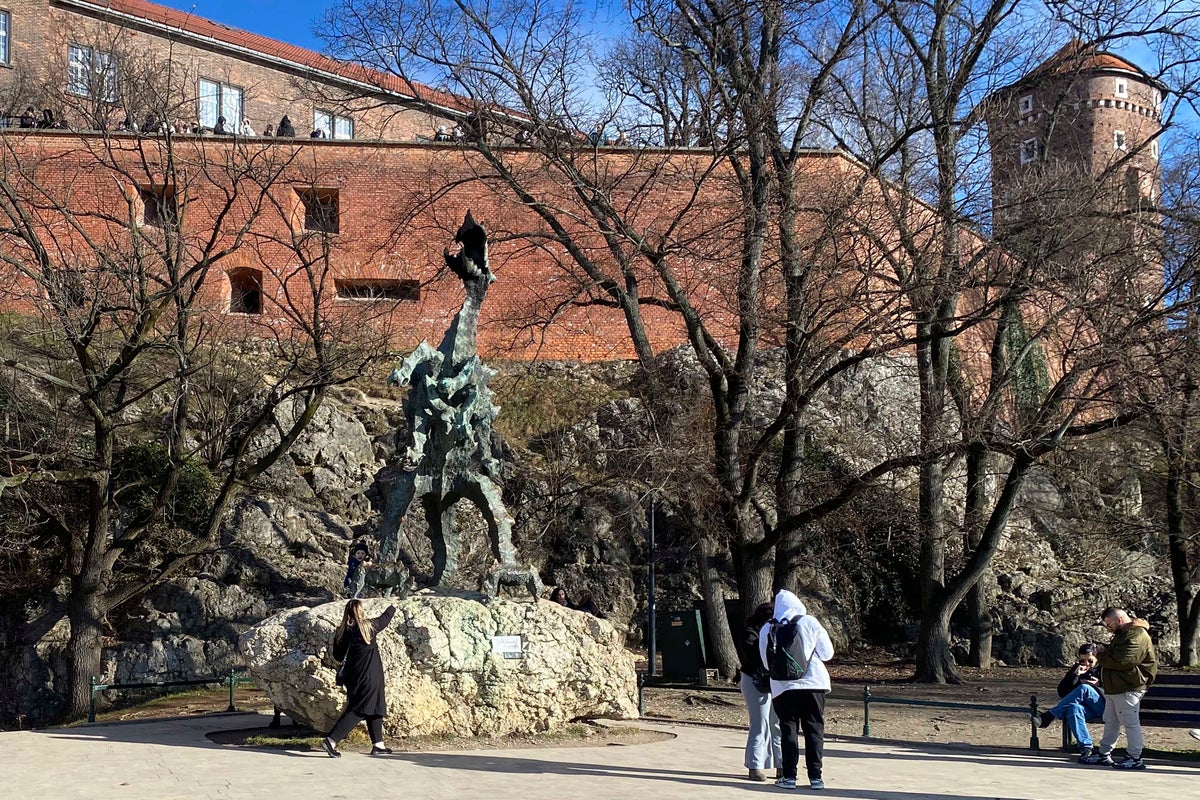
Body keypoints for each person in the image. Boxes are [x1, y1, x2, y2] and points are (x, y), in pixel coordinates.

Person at [758, 590, 834, 791]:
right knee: (814, 730)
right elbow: (827, 654)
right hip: (814, 684)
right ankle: (816, 777)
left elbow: (767, 664)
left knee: (788, 730)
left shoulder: (767, 628)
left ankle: (789, 776)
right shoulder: (809, 622)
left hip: (783, 687)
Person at [1079, 607, 1158, 769]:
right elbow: (1116, 657)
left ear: (1119, 620)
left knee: (1130, 722)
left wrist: (1100, 655)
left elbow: (1122, 661)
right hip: (1116, 686)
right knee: (1111, 721)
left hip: (1129, 685)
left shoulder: (1137, 635)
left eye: (1109, 624)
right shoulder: (1124, 634)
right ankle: (1104, 753)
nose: (1108, 628)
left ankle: (1135, 757)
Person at [322, 599, 398, 758]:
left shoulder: (342, 631)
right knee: (358, 709)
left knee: (375, 707)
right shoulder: (368, 627)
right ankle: (331, 740)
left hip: (353, 677)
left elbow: (337, 656)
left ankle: (378, 745)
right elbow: (385, 618)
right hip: (369, 676)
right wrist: (393, 606)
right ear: (361, 611)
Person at [1037, 643, 1106, 760]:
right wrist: (1075, 676)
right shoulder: (1076, 670)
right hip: (1086, 709)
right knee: (1073, 708)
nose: (1086, 664)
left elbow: (1115, 688)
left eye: (1090, 661)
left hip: (1103, 706)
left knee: (1085, 688)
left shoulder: (1103, 669)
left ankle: (1050, 715)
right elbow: (1062, 693)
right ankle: (1086, 747)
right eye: (1082, 661)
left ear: (1096, 658)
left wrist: (1099, 685)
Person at [739, 602, 781, 782]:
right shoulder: (750, 633)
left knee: (777, 724)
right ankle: (755, 765)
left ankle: (782, 764)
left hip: (775, 681)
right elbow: (755, 657)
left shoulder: (777, 633)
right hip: (754, 680)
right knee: (760, 723)